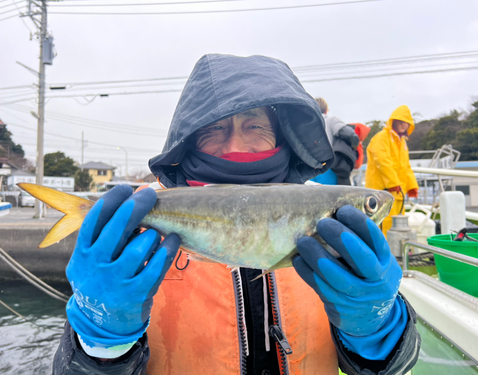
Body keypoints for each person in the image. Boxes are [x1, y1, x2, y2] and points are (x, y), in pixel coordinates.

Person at [53, 54, 420, 375]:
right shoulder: (135, 225)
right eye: (214, 129)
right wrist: (101, 339)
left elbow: (393, 369)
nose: (234, 145)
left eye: (254, 126)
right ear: (189, 139)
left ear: (283, 138)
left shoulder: (336, 224)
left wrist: (377, 326)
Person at [365, 105, 419, 237]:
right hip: (382, 190)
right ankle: (382, 255)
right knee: (383, 224)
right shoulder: (382, 137)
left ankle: (395, 254)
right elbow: (382, 161)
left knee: (397, 227)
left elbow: (406, 166)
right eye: (401, 121)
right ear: (393, 121)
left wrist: (412, 185)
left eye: (406, 123)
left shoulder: (402, 141)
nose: (403, 125)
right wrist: (393, 183)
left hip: (398, 192)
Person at [314, 98, 359, 185]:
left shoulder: (303, 124)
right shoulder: (330, 121)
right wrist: (354, 146)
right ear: (326, 110)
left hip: (307, 170)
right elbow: (350, 134)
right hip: (328, 168)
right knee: (332, 197)